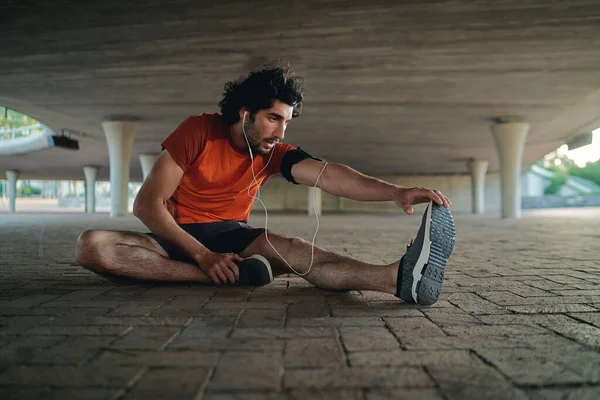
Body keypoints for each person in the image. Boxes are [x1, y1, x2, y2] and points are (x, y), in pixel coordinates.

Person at [75, 62, 455, 306]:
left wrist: (396, 192)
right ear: (245, 114)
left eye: (286, 121)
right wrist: (203, 257)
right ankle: (233, 276)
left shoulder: (275, 152)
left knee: (295, 248)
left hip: (233, 236)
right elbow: (147, 205)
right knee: (93, 246)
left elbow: (332, 176)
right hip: (171, 235)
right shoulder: (198, 132)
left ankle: (395, 279)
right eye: (273, 118)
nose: (281, 130)